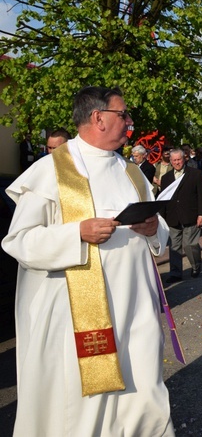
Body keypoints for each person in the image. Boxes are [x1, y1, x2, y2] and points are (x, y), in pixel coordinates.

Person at [2, 86, 174, 436]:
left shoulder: (132, 172)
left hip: (135, 309)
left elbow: (160, 233)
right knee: (80, 403)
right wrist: (76, 233)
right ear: (98, 118)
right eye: (123, 115)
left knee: (141, 387)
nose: (129, 122)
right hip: (77, 315)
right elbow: (18, 240)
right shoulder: (51, 170)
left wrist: (152, 228)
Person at [161, 148, 202, 283]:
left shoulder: (196, 174)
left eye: (179, 159)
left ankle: (195, 265)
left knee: (189, 245)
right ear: (170, 161)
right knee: (174, 247)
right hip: (173, 217)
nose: (177, 162)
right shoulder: (166, 178)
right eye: (174, 160)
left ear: (184, 159)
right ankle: (175, 273)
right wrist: (163, 218)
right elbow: (164, 198)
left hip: (191, 215)